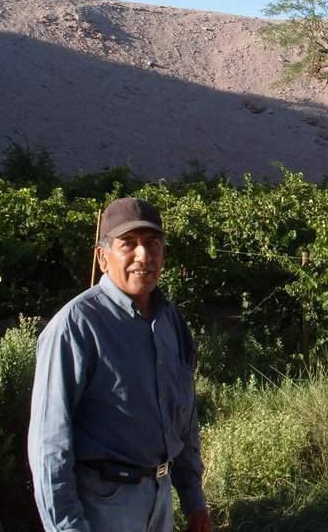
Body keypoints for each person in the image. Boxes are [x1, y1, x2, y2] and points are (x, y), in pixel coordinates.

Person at [28, 197, 212, 532]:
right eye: (129, 244)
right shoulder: (76, 326)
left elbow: (184, 418)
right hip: (103, 504)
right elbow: (49, 445)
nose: (143, 256)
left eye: (152, 244)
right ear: (102, 257)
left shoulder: (172, 322)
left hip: (160, 499)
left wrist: (193, 498)